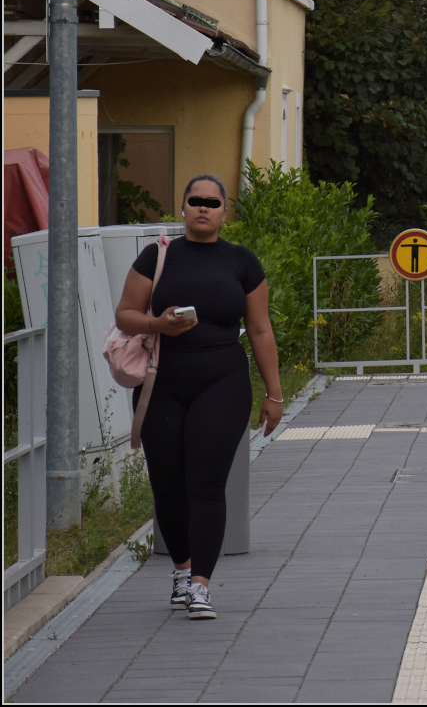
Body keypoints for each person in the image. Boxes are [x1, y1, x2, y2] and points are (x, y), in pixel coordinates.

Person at [114, 173, 283, 620]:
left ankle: (201, 586)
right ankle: (181, 569)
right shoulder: (156, 257)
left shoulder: (242, 261)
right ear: (183, 209)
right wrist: (157, 324)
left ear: (225, 212)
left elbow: (261, 329)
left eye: (212, 202)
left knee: (206, 484)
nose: (203, 208)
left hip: (222, 381)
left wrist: (275, 394)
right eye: (195, 201)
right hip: (161, 383)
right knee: (167, 484)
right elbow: (126, 314)